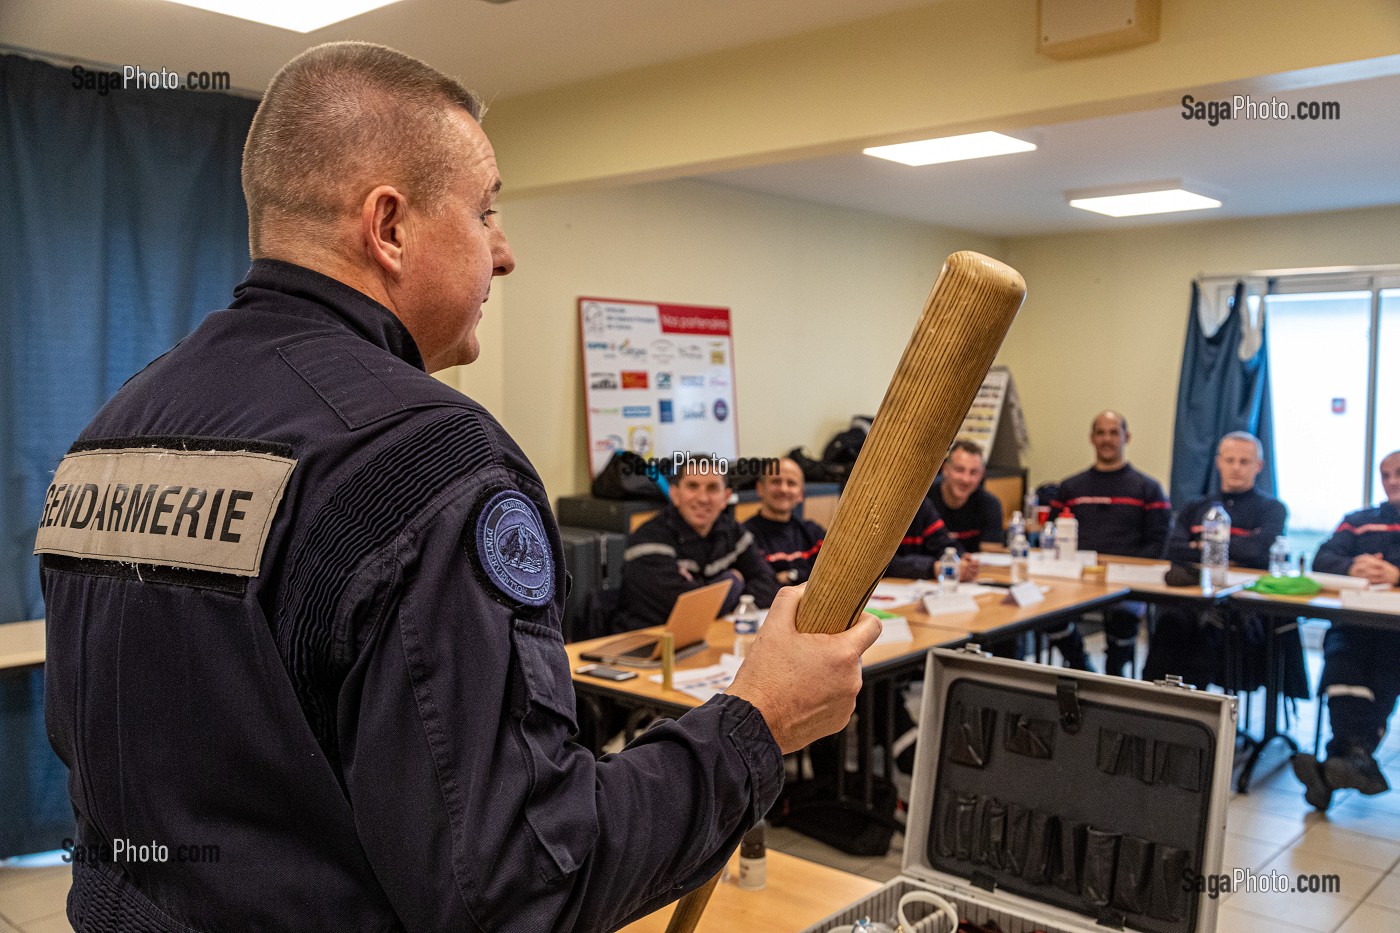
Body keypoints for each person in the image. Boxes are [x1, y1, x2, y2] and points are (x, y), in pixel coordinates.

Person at [34, 42, 879, 931]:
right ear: (389, 226)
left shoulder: (110, 430)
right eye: (486, 212)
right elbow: (525, 884)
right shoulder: (431, 461)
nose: (505, 254)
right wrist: (756, 721)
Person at [1292, 449, 1400, 811]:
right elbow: (1323, 557)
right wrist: (1352, 565)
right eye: (1385, 475)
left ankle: (1330, 768)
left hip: (1395, 632)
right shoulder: (1358, 521)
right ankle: (1353, 759)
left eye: (1398, 473)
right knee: (1340, 650)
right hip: (1355, 624)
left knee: (1386, 655)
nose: (1392, 481)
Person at [1142, 432, 1289, 688]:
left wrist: (1200, 547)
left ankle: (1201, 717)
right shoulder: (1194, 507)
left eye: (1244, 462)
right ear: (1218, 462)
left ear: (1259, 466)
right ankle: (1156, 707)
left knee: (1210, 631)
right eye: (1230, 460)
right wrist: (1226, 553)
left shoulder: (1272, 509)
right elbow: (1174, 551)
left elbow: (1257, 552)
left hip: (1240, 608)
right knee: (1169, 627)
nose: (1236, 468)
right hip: (1188, 599)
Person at [1048, 411, 1172, 674]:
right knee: (1046, 615)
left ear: (1126, 437)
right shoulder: (1071, 487)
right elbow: (1053, 533)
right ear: (1092, 438)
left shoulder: (1148, 488)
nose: (1107, 439)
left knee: (1123, 622)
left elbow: (1159, 541)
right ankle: (1082, 667)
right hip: (1076, 579)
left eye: (1114, 432)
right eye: (1101, 432)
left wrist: (1132, 573)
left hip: (1129, 583)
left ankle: (1115, 679)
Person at [615, 456, 780, 631]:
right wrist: (733, 581)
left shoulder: (733, 531)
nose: (702, 498)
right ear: (675, 494)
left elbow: (769, 586)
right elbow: (687, 611)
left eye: (712, 488)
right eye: (692, 486)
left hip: (710, 637)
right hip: (648, 642)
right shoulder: (649, 538)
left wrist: (703, 591)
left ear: (726, 498)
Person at [744, 456, 825, 584]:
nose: (783, 489)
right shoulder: (744, 536)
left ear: (801, 494)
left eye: (791, 483)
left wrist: (792, 576)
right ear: (760, 489)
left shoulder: (813, 533)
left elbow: (832, 572)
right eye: (776, 481)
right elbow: (759, 585)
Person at [928, 440, 1004, 553]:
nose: (966, 479)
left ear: (982, 475)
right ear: (945, 470)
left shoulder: (990, 504)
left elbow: (991, 550)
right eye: (959, 470)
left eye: (973, 472)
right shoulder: (924, 501)